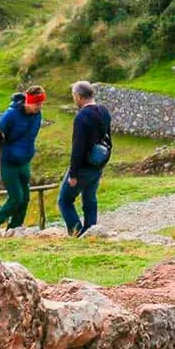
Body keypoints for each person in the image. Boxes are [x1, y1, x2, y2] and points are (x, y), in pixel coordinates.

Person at [60, 81, 112, 235]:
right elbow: (108, 139)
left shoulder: (82, 116)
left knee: (64, 201)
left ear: (78, 96)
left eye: (74, 96)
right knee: (90, 200)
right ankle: (91, 231)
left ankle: (76, 231)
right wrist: (102, 162)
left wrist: (73, 174)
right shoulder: (103, 111)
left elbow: (78, 147)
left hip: (83, 166)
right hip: (97, 164)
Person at [0, 87, 44, 228]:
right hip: (9, 161)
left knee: (25, 198)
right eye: (36, 104)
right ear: (28, 102)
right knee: (16, 197)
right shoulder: (10, 115)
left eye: (41, 104)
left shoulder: (37, 115)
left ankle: (15, 227)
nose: (39, 107)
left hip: (25, 160)